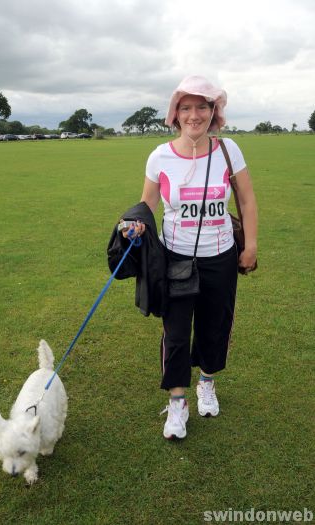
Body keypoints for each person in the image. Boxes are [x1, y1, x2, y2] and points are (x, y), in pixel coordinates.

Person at [122, 75, 257, 440]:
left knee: (215, 327)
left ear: (214, 112)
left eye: (202, 106)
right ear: (176, 113)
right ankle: (178, 402)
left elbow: (245, 199)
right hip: (176, 258)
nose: (194, 115)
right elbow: (148, 204)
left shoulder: (229, 150)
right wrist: (133, 224)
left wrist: (251, 245)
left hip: (221, 258)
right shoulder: (160, 155)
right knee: (177, 333)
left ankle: (207, 384)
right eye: (186, 107)